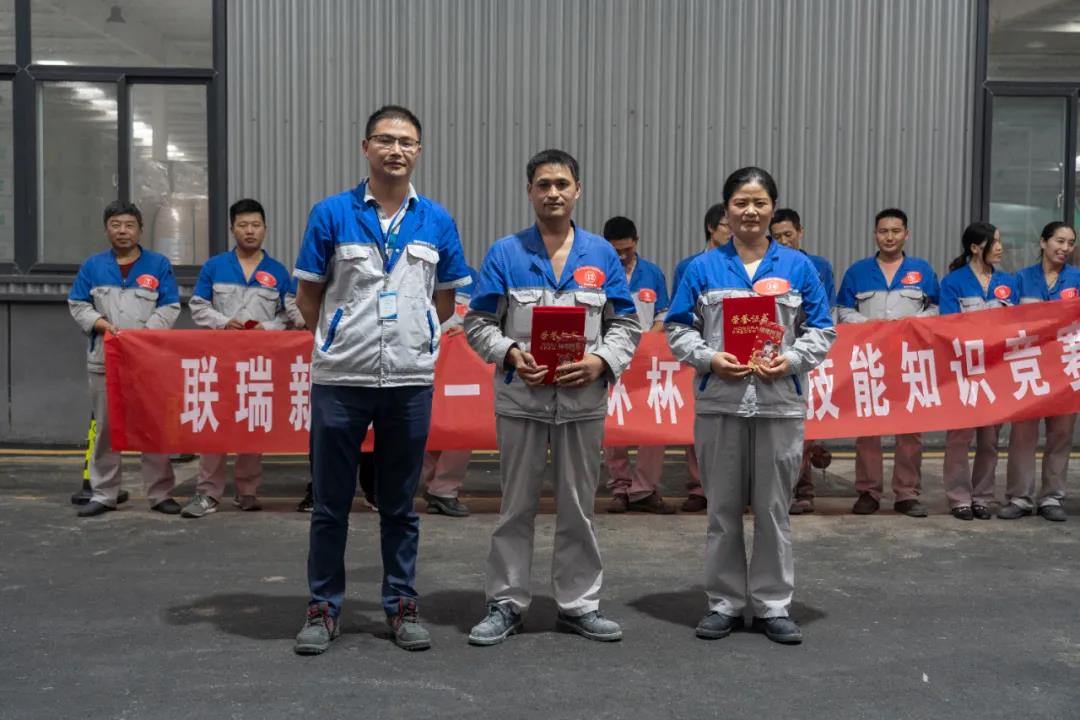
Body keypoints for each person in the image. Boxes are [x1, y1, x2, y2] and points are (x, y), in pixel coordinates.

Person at [291, 105, 472, 654]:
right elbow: (308, 295)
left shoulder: (436, 220)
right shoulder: (332, 213)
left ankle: (401, 604)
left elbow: (446, 299)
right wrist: (339, 337)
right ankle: (324, 607)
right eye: (386, 140)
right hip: (341, 379)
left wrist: (414, 337)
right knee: (330, 504)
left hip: (409, 381)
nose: (396, 150)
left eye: (407, 142)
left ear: (419, 151)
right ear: (365, 147)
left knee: (400, 505)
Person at [464, 149, 641, 646]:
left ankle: (579, 604)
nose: (553, 193)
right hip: (521, 400)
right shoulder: (506, 253)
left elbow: (626, 324)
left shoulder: (601, 255)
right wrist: (510, 353)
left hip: (582, 403)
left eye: (562, 184)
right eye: (543, 185)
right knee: (515, 506)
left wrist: (601, 361)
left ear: (577, 190)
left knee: (578, 507)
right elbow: (478, 322)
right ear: (530, 192)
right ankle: (505, 602)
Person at [666, 167, 834, 645]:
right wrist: (709, 358)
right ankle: (724, 603)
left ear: (772, 208)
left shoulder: (798, 267)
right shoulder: (700, 268)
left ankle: (772, 605)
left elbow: (822, 329)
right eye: (741, 202)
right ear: (727, 210)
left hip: (780, 404)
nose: (750, 211)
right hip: (721, 403)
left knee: (773, 510)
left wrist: (792, 361)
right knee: (721, 510)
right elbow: (677, 328)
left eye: (759, 202)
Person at [67, 201, 181, 517]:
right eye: (116, 225)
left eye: (129, 225)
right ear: (107, 230)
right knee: (106, 428)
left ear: (140, 230)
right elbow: (78, 304)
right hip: (104, 361)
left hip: (147, 362)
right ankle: (104, 494)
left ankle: (160, 493)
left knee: (152, 426)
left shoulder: (158, 264)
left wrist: (143, 336)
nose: (123, 231)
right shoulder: (92, 266)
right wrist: (102, 324)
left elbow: (170, 306)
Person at [184, 198, 291, 518]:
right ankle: (208, 493)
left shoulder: (277, 271)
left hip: (258, 365)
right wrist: (222, 322)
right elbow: (198, 306)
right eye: (243, 225)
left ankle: (247, 491)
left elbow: (288, 315)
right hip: (219, 362)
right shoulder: (214, 267)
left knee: (252, 425)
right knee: (213, 426)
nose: (250, 231)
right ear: (233, 229)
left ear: (265, 229)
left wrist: (266, 327)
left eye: (255, 225)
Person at [836, 208, 939, 517]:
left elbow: (937, 310)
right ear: (875, 235)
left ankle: (906, 493)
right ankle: (868, 491)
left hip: (910, 361)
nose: (889, 237)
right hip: (871, 361)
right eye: (883, 231)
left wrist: (911, 323)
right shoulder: (858, 271)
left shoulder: (922, 270)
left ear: (906, 234)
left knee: (910, 428)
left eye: (896, 231)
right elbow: (843, 310)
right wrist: (870, 325)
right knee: (868, 427)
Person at [938, 222, 1016, 521]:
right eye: (994, 242)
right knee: (959, 438)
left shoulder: (1008, 282)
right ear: (975, 247)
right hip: (964, 371)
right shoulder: (953, 282)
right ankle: (959, 497)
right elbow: (948, 325)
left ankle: (983, 496)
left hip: (997, 371)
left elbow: (1017, 324)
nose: (1000, 247)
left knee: (990, 439)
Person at [1002, 221, 1079, 522]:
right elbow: (1006, 323)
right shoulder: (1021, 278)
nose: (1065, 248)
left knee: (1061, 435)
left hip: (1065, 371)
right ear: (1043, 242)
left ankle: (1051, 497)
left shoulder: (1077, 279)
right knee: (1022, 436)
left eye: (1070, 243)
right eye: (1059, 241)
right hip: (1029, 369)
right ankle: (1019, 498)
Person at [601, 215, 674, 514]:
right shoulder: (597, 273)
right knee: (613, 425)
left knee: (653, 426)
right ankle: (620, 488)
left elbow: (664, 314)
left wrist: (648, 340)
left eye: (626, 250)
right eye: (615, 251)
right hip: (611, 360)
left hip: (646, 362)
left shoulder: (652, 273)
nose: (621, 256)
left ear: (636, 242)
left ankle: (644, 488)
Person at [770, 208, 836, 514]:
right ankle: (773, 491)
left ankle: (804, 488)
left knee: (806, 427)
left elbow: (828, 312)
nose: (784, 241)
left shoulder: (819, 266)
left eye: (788, 234)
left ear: (801, 232)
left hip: (809, 352)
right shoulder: (767, 266)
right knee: (776, 428)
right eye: (777, 237)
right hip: (775, 352)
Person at [673, 203, 730, 512]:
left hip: (740, 361)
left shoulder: (747, 266)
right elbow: (680, 317)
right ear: (711, 227)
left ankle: (736, 491)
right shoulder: (690, 267)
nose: (733, 231)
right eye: (727, 225)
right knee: (698, 423)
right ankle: (699, 486)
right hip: (702, 357)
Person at [420, 268, 479, 517]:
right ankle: (432, 486)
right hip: (418, 365)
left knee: (459, 430)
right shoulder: (409, 267)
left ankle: (444, 490)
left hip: (458, 373)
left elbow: (484, 317)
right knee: (425, 429)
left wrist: (467, 330)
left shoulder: (469, 277)